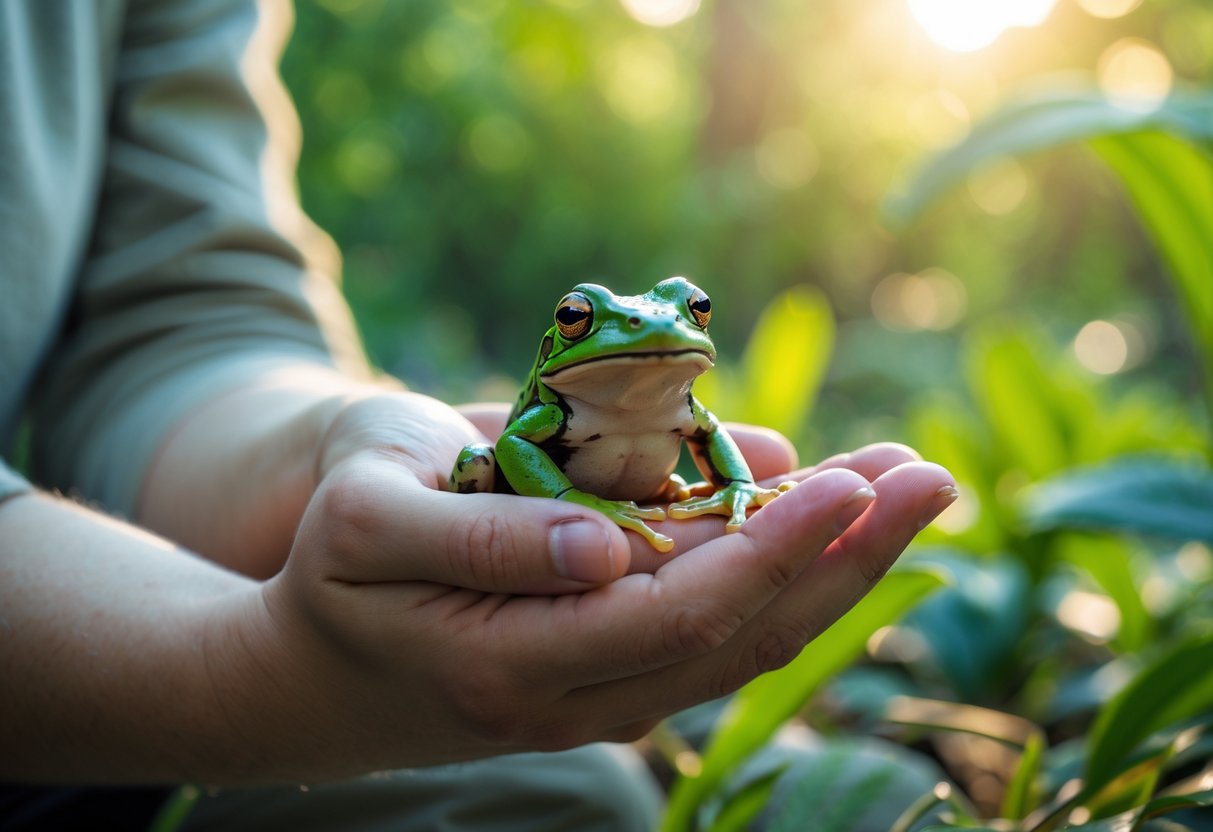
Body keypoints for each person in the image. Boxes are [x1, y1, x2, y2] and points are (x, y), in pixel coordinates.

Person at [0, 1, 958, 829]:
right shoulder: (548, 418)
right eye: (586, 320)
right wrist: (246, 670)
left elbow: (185, 311)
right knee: (542, 768)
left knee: (601, 790)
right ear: (563, 341)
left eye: (690, 314)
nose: (663, 329)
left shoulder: (692, 416)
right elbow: (511, 457)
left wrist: (339, 438)